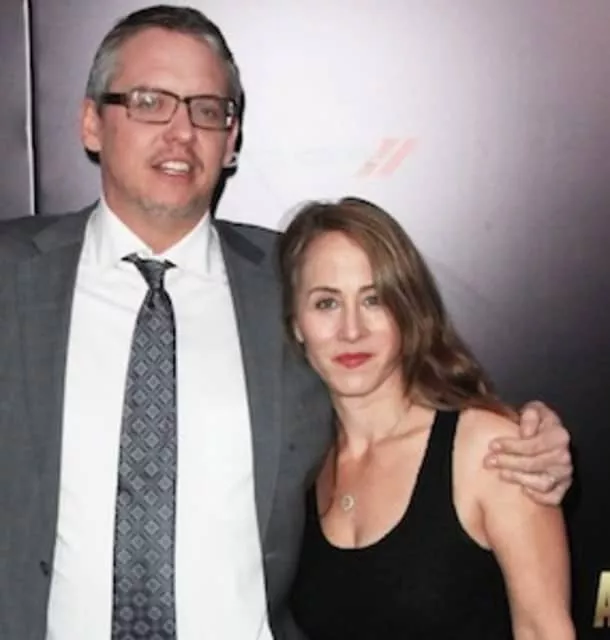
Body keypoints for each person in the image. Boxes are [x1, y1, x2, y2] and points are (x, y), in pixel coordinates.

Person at [0, 5, 572, 640]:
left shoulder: (296, 281)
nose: (181, 131)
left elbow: (403, 403)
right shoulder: (10, 279)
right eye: (149, 102)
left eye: (207, 109)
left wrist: (527, 442)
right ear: (91, 122)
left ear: (232, 139)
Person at [281, 197, 575, 639]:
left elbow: (543, 630)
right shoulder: (302, 463)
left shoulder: (490, 449)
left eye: (374, 299)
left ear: (407, 311)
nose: (351, 330)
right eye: (326, 303)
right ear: (296, 324)